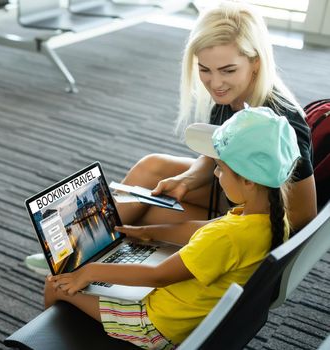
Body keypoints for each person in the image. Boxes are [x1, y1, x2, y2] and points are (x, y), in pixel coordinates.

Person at [24, 1, 316, 275]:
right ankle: (75, 250)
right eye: (204, 70)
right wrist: (186, 181)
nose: (215, 83)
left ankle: (80, 256)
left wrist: (228, 228)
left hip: (258, 219)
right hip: (236, 189)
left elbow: (302, 216)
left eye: (228, 70)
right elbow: (218, 151)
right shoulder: (233, 96)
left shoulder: (282, 122)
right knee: (151, 168)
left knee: (148, 216)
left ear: (256, 63)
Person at [44, 106, 300, 348]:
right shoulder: (272, 219)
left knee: (55, 284)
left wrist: (91, 272)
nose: (215, 174)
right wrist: (150, 232)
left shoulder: (227, 237)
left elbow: (158, 276)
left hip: (154, 327)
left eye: (220, 169)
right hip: (192, 319)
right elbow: (201, 228)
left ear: (248, 180)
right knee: (113, 273)